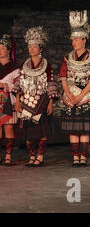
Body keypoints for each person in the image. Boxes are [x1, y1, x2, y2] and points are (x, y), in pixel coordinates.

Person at [58, 10, 90, 167]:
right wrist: (69, 95)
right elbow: (63, 78)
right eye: (72, 39)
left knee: (83, 129)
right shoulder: (67, 58)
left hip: (85, 96)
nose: (74, 42)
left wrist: (80, 96)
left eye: (77, 39)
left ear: (84, 40)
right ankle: (75, 156)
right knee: (73, 130)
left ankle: (83, 155)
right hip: (70, 96)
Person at [16, 27, 58, 167]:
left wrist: (51, 103)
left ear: (41, 48)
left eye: (35, 46)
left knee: (42, 132)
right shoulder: (24, 65)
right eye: (30, 46)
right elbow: (19, 85)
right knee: (28, 134)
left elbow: (51, 84)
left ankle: (40, 156)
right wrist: (17, 101)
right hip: (26, 102)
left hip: (42, 102)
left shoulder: (46, 66)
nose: (32, 49)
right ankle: (32, 156)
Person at [0, 34, 20, 166]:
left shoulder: (15, 67)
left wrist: (5, 86)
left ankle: (8, 155)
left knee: (8, 128)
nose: (0, 50)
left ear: (8, 50)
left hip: (8, 100)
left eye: (2, 48)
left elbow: (19, 86)